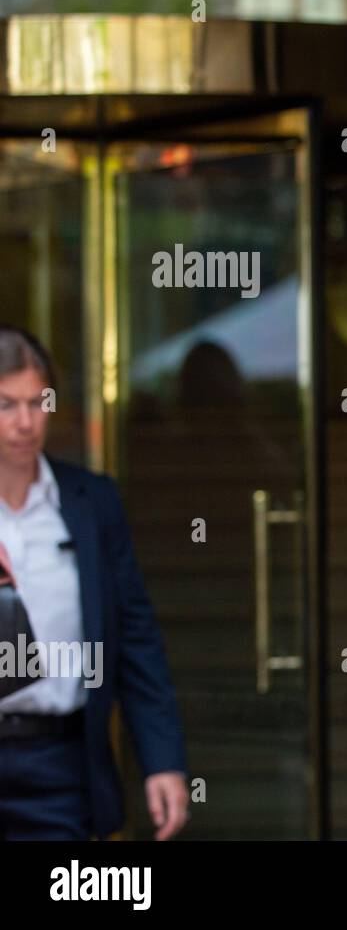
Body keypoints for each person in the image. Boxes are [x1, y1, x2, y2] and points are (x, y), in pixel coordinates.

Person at [0, 324, 189, 840]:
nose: (24, 422)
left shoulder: (91, 502)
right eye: (7, 405)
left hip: (62, 763)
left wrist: (163, 760)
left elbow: (135, 639)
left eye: (37, 403)